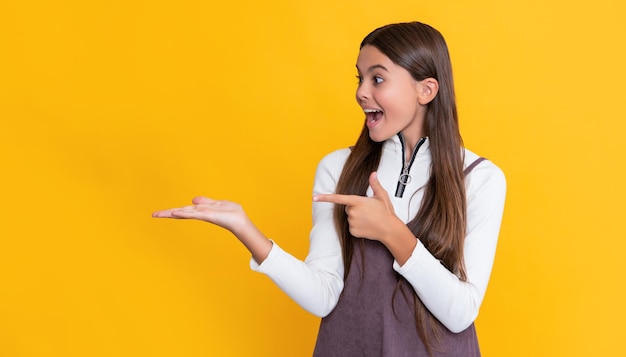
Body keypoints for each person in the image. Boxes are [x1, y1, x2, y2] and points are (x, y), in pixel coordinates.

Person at [153, 21, 506, 357]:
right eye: (360, 78)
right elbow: (323, 295)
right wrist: (245, 229)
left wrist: (392, 232)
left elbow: (460, 313)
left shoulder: (479, 179)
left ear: (425, 90)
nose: (360, 92)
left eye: (377, 78)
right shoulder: (338, 168)